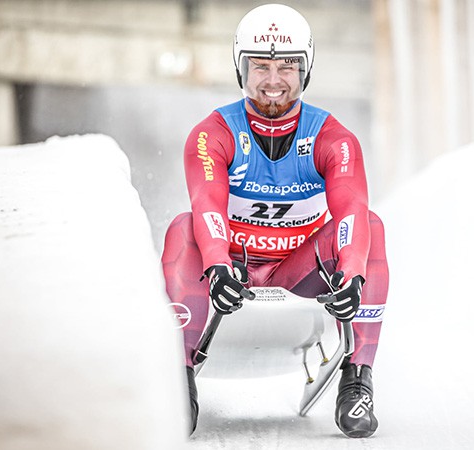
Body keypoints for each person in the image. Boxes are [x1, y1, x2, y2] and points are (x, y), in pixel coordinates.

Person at [161, 3, 389, 439]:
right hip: (232, 270)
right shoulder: (213, 133)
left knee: (372, 225)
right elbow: (207, 204)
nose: (272, 81)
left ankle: (357, 380)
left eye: (287, 67)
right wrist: (217, 266)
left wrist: (353, 276)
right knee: (182, 226)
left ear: (306, 70)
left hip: (296, 271)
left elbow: (351, 209)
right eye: (260, 67)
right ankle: (178, 378)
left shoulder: (333, 138)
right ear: (240, 69)